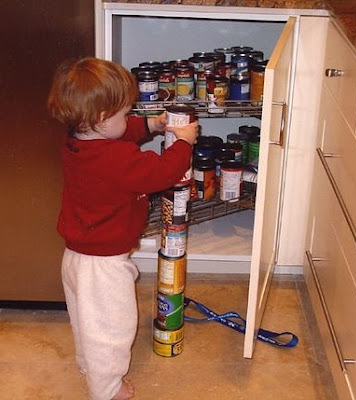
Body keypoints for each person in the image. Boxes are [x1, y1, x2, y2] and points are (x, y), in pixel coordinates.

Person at [47, 57, 198, 400]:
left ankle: (91, 367)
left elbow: (120, 132)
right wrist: (184, 143)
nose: (129, 119)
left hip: (77, 255)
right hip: (103, 265)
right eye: (124, 112)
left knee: (89, 323)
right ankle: (107, 390)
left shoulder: (77, 138)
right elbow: (161, 173)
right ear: (100, 118)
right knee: (112, 329)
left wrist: (151, 127)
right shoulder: (115, 160)